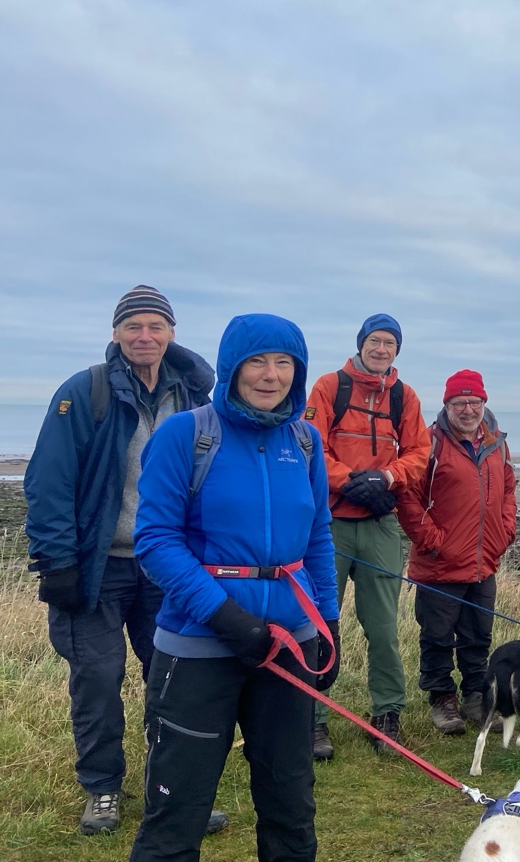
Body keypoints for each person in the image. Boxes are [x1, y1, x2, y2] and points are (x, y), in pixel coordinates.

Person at [129, 313, 340, 860]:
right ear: (231, 367)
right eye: (257, 361)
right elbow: (155, 540)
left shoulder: (306, 441)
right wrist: (224, 616)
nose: (271, 375)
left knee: (291, 802)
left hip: (289, 643)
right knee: (178, 810)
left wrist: (328, 621)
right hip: (198, 648)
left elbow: (317, 536)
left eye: (284, 363)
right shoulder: (186, 435)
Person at [23, 286, 226, 836]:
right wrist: (57, 562)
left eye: (155, 326)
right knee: (98, 678)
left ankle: (173, 788)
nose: (144, 336)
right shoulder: (85, 392)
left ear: (172, 333)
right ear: (115, 333)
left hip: (170, 566)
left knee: (175, 679)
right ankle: (102, 788)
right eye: (133, 326)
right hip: (97, 567)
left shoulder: (196, 397)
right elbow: (48, 480)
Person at [303, 314, 429, 759]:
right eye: (374, 341)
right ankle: (312, 717)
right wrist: (349, 480)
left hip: (379, 524)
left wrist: (386, 479)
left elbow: (419, 452)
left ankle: (387, 714)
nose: (381, 349)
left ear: (397, 350)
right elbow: (310, 445)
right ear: (361, 344)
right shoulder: (328, 387)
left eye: (389, 343)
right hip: (329, 525)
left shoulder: (404, 397)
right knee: (318, 623)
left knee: (383, 627)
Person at [396, 369, 517, 736]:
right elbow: (407, 497)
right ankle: (442, 699)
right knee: (437, 636)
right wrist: (434, 540)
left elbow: (508, 490)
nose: (468, 409)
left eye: (474, 402)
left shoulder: (497, 444)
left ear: (484, 403)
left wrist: (504, 532)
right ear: (447, 404)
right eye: (460, 402)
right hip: (439, 564)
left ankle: (476, 697)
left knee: (478, 635)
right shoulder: (428, 443)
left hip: (483, 561)